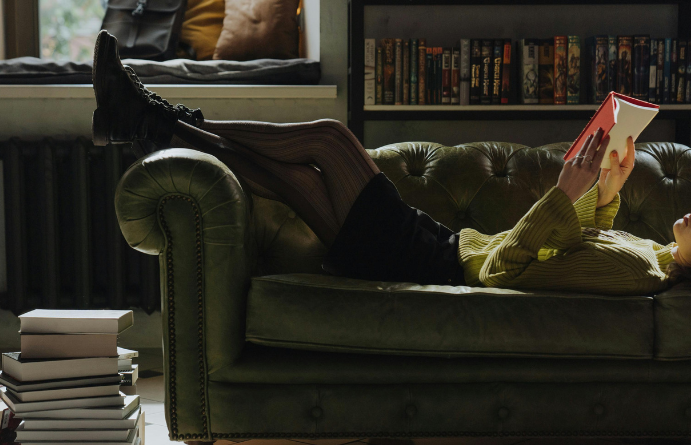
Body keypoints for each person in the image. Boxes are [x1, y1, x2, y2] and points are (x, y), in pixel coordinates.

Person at [92, 31, 691, 296]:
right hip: (438, 249)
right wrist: (607, 190)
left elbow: (513, 273)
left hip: (436, 262)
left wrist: (564, 191)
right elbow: (579, 245)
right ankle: (146, 119)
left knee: (327, 140)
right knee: (290, 176)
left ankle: (152, 115)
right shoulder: (653, 258)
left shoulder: (640, 276)